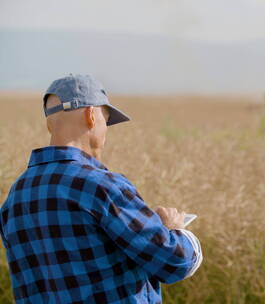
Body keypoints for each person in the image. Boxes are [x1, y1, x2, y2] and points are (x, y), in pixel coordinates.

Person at [0, 74, 202, 303]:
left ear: (49, 122)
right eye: (106, 120)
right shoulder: (101, 186)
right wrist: (174, 231)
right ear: (90, 116)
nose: (106, 131)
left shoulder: (16, 195)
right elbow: (174, 262)